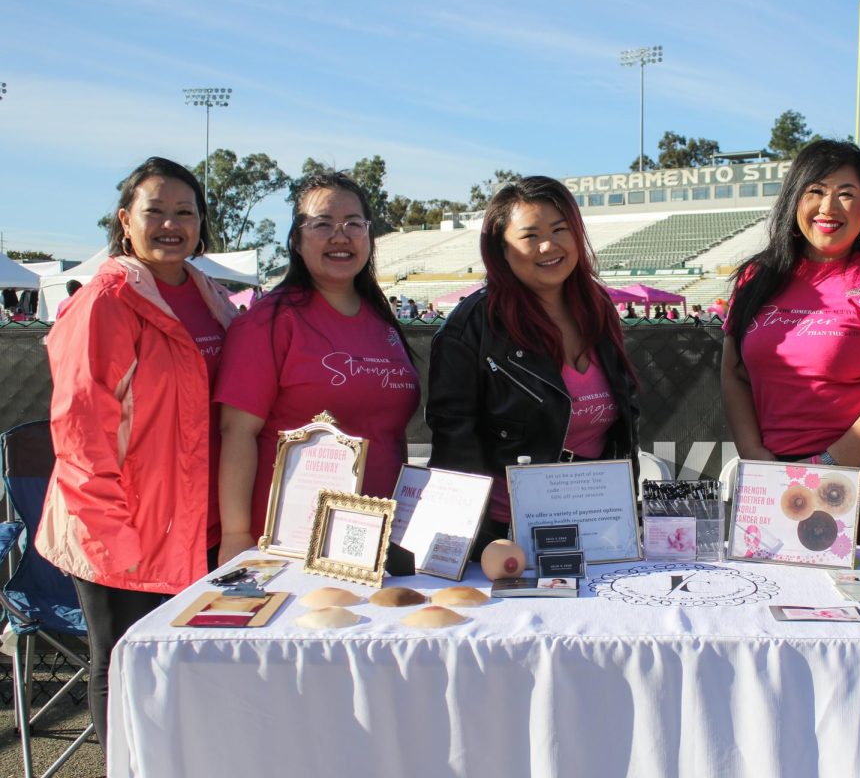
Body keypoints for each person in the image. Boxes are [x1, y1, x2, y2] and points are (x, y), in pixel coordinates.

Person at [35, 156, 235, 748]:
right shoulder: (106, 300)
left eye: (185, 212)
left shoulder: (212, 296)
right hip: (123, 528)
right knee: (124, 666)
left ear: (201, 223)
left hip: (200, 523)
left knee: (186, 667)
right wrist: (112, 537)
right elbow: (79, 428)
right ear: (126, 220)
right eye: (156, 211)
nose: (171, 224)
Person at [721, 140, 860, 544]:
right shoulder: (755, 279)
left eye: (846, 194)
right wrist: (753, 452)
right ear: (794, 198)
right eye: (815, 191)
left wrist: (826, 464)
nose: (828, 208)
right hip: (774, 476)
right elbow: (733, 374)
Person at [425, 176, 639, 558]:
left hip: (599, 531)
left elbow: (623, 423)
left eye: (561, 230)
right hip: (504, 539)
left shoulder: (598, 309)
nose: (549, 246)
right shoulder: (471, 325)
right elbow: (455, 445)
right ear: (500, 249)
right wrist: (464, 546)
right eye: (530, 235)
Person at [215, 172, 420, 566]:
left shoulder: (382, 321)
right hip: (292, 543)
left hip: (379, 538)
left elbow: (390, 432)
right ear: (296, 238)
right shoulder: (269, 322)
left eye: (353, 224)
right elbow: (237, 433)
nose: (339, 237)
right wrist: (236, 537)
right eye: (322, 224)